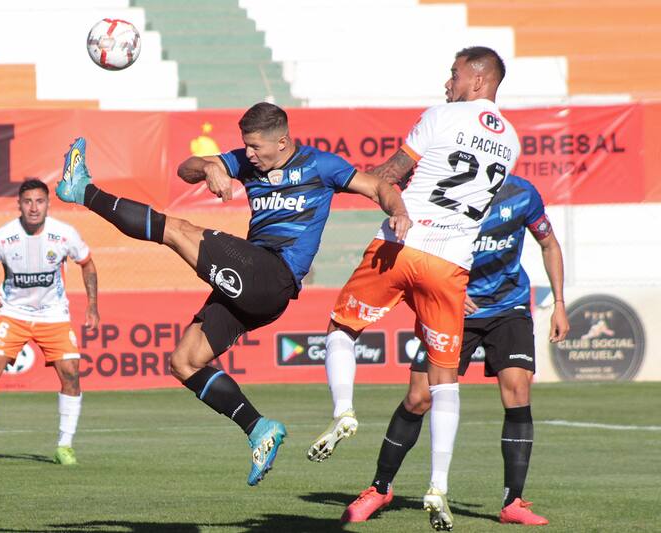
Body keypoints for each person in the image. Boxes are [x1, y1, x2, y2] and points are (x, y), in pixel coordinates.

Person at [54, 102, 411, 486]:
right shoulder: (244, 161)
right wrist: (210, 167)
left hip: (273, 274)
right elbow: (185, 168)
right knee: (184, 362)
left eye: (257, 147)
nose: (250, 154)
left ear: (283, 141)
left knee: (176, 230)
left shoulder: (320, 165)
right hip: (254, 284)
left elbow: (377, 185)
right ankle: (259, 428)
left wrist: (399, 212)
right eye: (246, 146)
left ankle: (83, 191)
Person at [308, 46, 521, 530]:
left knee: (341, 327)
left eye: (455, 75)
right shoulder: (510, 140)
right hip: (450, 266)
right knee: (445, 382)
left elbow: (389, 176)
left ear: (479, 81)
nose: (448, 83)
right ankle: (438, 486)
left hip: (403, 245)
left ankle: (343, 410)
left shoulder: (441, 115)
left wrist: (335, 182)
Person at [338, 173, 569, 526]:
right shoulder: (444, 196)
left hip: (509, 306)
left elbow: (549, 244)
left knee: (518, 389)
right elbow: (414, 259)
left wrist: (560, 303)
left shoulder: (524, 194)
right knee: (419, 397)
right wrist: (448, 292)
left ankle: (513, 502)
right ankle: (380, 489)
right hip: (450, 304)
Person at [0, 179, 99, 467]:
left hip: (53, 315)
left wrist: (93, 306)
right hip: (14, 314)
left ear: (48, 203)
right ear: (19, 205)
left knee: (71, 374)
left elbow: (87, 263)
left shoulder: (64, 234)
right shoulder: (2, 237)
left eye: (40, 201)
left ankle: (65, 446)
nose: (34, 207)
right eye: (28, 202)